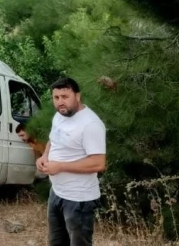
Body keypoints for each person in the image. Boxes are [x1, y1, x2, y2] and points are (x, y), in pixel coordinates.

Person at [36, 77, 106, 246]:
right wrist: (45, 156)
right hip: (57, 193)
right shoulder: (60, 115)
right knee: (56, 242)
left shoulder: (91, 124)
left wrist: (60, 166)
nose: (60, 102)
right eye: (56, 97)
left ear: (78, 96)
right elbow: (53, 139)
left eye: (65, 97)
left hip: (78, 200)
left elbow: (98, 163)